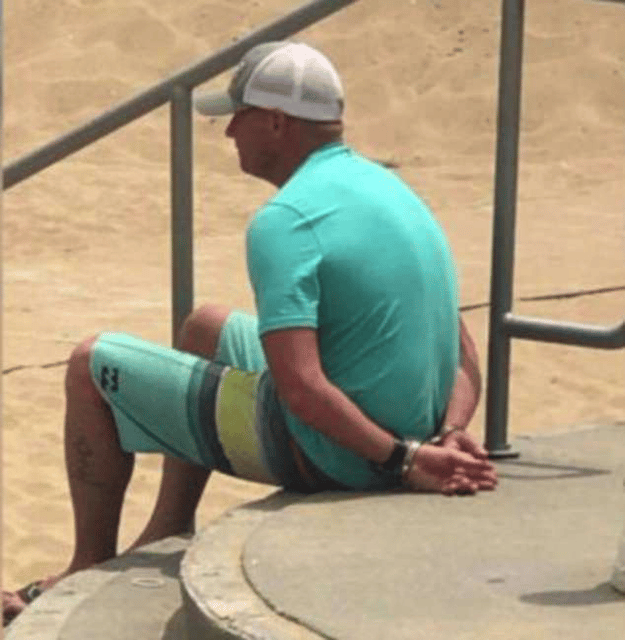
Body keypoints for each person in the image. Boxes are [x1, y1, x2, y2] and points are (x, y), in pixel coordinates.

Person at [3, 40, 497, 625]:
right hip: (413, 431)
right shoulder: (391, 190)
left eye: (238, 116)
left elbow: (302, 391)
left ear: (277, 122)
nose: (230, 131)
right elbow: (463, 351)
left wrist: (403, 460)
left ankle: (85, 565)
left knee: (91, 365)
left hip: (343, 456)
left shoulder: (286, 221)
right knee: (204, 327)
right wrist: (448, 431)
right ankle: (168, 525)